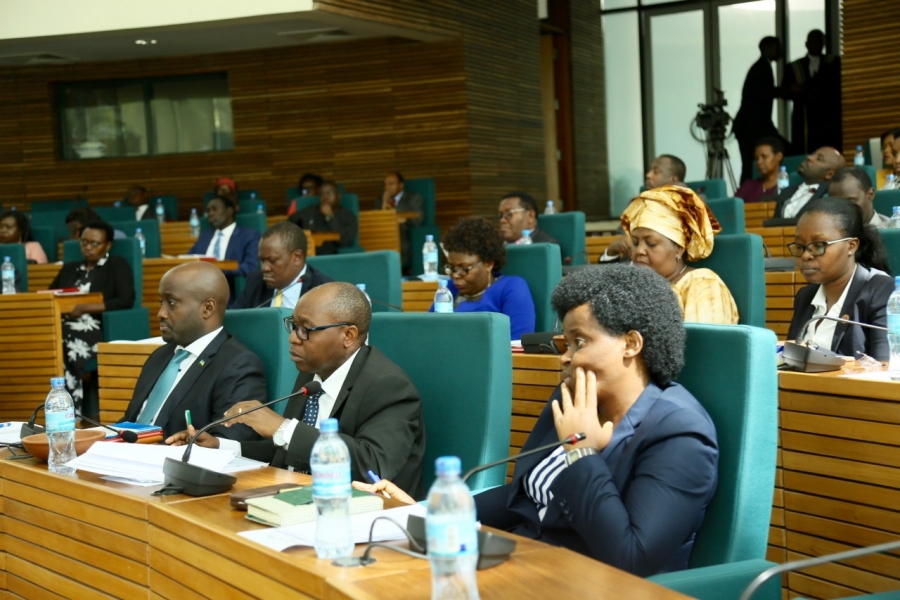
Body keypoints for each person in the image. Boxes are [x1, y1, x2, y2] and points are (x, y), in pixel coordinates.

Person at [363, 266, 719, 575]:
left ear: (631, 344)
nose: (565, 358)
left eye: (580, 342)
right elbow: (523, 497)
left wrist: (581, 452)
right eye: (564, 344)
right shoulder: (574, 398)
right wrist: (425, 515)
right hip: (525, 564)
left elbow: (629, 557)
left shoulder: (679, 433)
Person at [166, 282, 427, 499]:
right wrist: (222, 446)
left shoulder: (388, 385)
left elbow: (372, 465)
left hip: (359, 513)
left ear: (348, 335)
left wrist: (282, 428)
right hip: (296, 495)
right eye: (293, 325)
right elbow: (294, 453)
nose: (293, 338)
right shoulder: (312, 371)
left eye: (306, 330)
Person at [121, 262, 264, 439]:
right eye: (161, 302)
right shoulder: (159, 356)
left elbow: (228, 442)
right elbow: (130, 422)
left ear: (207, 308)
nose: (161, 313)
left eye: (171, 303)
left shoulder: (238, 365)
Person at [786, 197, 893, 361]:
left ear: (851, 246)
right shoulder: (805, 297)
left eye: (819, 245)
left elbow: (885, 366)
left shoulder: (881, 291)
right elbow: (791, 359)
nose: (806, 255)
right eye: (800, 246)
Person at [620, 186, 739, 325]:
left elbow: (705, 344)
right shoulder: (634, 286)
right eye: (635, 243)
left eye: (651, 243)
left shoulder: (702, 283)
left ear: (679, 248)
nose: (639, 250)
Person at [49, 220, 135, 407]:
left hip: (96, 326)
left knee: (65, 338)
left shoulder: (116, 264)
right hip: (62, 322)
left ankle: (69, 408)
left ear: (108, 245)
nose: (88, 247)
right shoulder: (70, 268)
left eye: (94, 243)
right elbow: (50, 295)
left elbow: (126, 299)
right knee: (49, 337)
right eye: (84, 242)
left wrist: (84, 308)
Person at [429, 217, 536, 340]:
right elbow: (428, 332)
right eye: (451, 267)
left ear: (488, 264)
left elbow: (518, 343)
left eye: (464, 268)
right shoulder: (448, 289)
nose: (455, 275)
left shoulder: (512, 288)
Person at [231, 222, 333, 309]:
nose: (264, 268)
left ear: (297, 257)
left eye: (272, 260)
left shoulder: (323, 291)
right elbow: (235, 321)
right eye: (262, 260)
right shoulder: (256, 281)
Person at [733, 37, 787, 184]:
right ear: (767, 48)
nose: (780, 50)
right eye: (777, 47)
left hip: (751, 126)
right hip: (751, 127)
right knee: (750, 165)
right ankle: (747, 197)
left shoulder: (762, 66)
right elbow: (763, 93)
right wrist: (786, 90)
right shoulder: (761, 67)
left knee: (749, 165)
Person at [188, 195, 261, 302]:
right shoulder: (205, 236)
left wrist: (217, 271)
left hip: (229, 292)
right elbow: (189, 259)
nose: (210, 214)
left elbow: (250, 267)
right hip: (198, 290)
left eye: (215, 209)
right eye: (208, 211)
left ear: (229, 211)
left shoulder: (249, 235)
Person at [783, 30, 842, 154]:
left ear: (824, 44)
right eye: (813, 41)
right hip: (803, 118)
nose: (816, 44)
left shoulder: (835, 62)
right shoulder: (793, 67)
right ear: (806, 44)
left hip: (828, 118)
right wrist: (794, 89)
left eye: (819, 42)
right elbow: (785, 93)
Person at [766, 146, 844, 223]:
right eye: (813, 154)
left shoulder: (828, 195)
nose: (809, 157)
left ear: (829, 174)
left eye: (819, 159)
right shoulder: (786, 192)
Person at [289, 180, 358, 255]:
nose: (325, 197)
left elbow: (345, 241)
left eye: (330, 193)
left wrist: (330, 218)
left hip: (333, 258)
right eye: (322, 194)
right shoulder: (310, 211)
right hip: (307, 257)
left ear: (338, 196)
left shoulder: (347, 216)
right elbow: (289, 224)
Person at [378, 172, 424, 269]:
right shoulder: (379, 201)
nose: (387, 187)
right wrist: (384, 204)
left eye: (391, 184)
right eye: (385, 184)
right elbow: (377, 220)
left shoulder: (413, 198)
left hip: (404, 236)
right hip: (383, 236)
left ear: (401, 185)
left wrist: (393, 211)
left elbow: (418, 219)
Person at [734, 137, 785, 204]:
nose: (759, 162)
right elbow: (733, 209)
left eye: (764, 157)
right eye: (757, 158)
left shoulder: (786, 186)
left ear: (779, 156)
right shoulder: (748, 186)